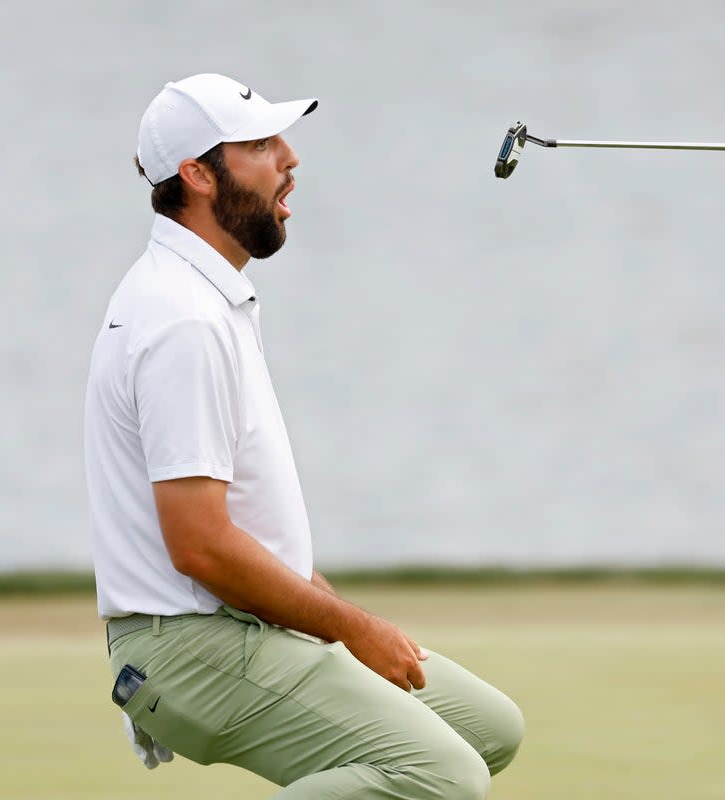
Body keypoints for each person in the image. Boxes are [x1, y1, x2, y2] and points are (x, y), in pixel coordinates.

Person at [84, 73, 523, 799]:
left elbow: (246, 526)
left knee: (487, 728)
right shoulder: (183, 319)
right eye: (260, 144)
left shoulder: (202, 295)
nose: (290, 157)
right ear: (197, 175)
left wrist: (331, 612)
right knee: (440, 777)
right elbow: (199, 545)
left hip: (233, 624)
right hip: (191, 644)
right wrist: (350, 628)